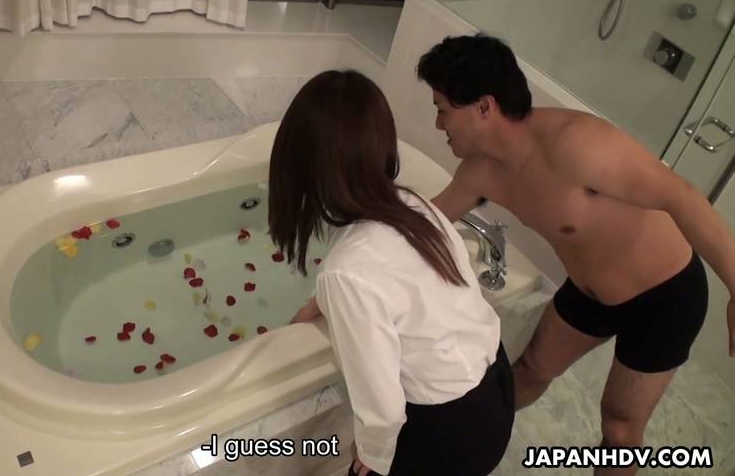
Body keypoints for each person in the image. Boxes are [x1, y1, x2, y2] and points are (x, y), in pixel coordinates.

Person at [419, 34, 735, 475]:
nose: (439, 124)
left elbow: (682, 197)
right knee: (528, 371)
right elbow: (425, 226)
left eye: (443, 109)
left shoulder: (579, 144)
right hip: (589, 294)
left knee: (620, 429)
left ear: (484, 106)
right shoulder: (480, 171)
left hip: (664, 299)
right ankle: (461, 447)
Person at [276, 70, 514, 476]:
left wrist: (371, 454)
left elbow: (383, 409)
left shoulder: (345, 270)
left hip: (449, 428)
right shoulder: (414, 204)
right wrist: (324, 301)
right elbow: (396, 278)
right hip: (497, 388)